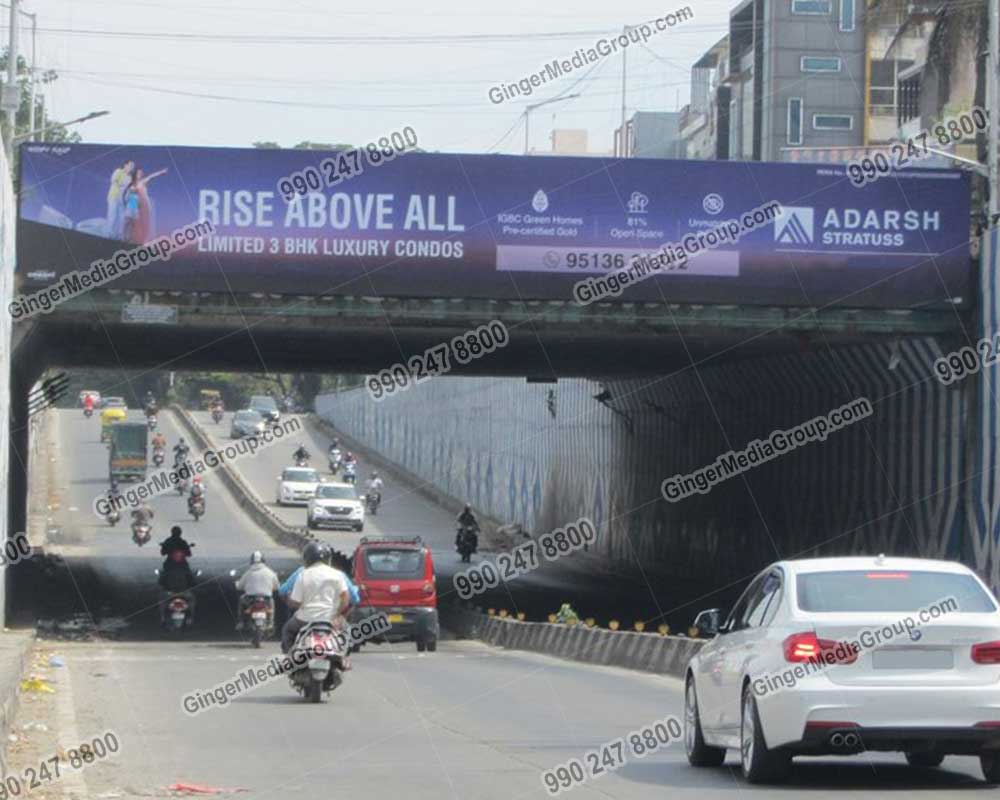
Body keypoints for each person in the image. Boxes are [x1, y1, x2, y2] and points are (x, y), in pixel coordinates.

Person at [280, 542, 350, 654]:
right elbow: (345, 599)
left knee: (287, 630)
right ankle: (343, 658)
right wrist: (337, 615)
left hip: (305, 619)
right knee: (347, 632)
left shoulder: (303, 574)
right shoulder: (337, 574)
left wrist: (289, 600)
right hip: (330, 619)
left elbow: (296, 603)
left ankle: (290, 659)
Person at [235, 551, 280, 631]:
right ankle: (270, 623)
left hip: (250, 599)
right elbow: (277, 586)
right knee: (272, 604)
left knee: (241, 599)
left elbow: (240, 587)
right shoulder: (270, 572)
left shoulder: (248, 573)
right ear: (263, 560)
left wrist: (238, 585)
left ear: (251, 561)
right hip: (266, 599)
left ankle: (241, 622)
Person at [158, 549, 196, 626]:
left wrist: (166, 587)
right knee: (192, 601)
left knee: (162, 602)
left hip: (170, 593)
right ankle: (190, 617)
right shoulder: (185, 568)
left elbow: (161, 582)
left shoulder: (168, 568)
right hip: (184, 592)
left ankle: (162, 618)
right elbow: (192, 582)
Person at [105, 160, 134, 239]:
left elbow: (128, 189)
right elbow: (113, 180)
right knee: (112, 215)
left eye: (132, 166)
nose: (131, 168)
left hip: (122, 200)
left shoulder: (130, 177)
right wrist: (121, 185)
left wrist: (127, 197)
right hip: (114, 196)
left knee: (121, 218)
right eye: (130, 165)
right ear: (125, 165)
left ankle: (119, 235)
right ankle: (108, 234)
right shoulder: (118, 171)